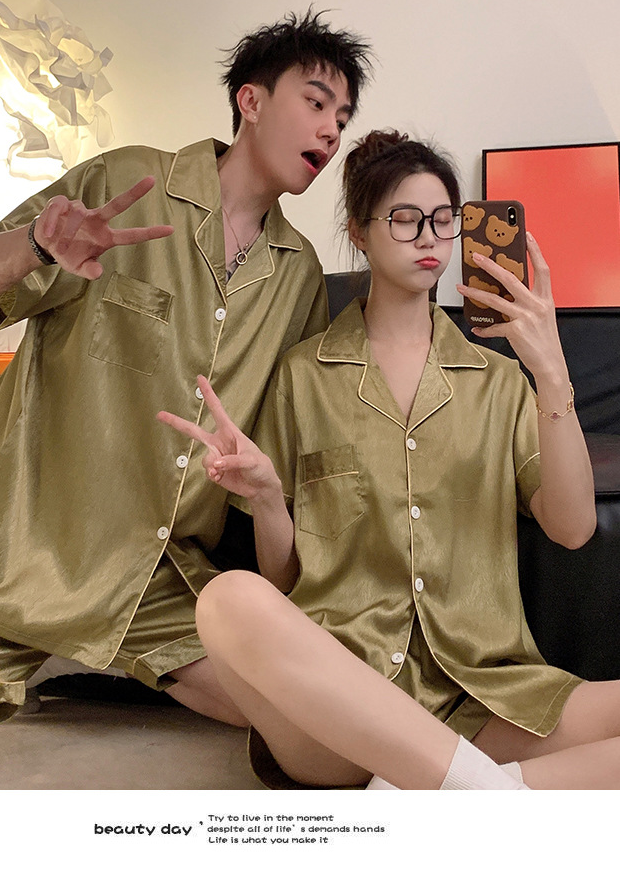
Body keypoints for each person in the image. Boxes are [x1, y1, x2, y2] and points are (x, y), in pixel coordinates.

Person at [0, 10, 372, 789]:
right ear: (251, 100)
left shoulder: (297, 274)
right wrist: (36, 246)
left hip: (152, 574)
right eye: (316, 102)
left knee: (326, 734)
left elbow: (280, 443)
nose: (332, 129)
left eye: (343, 116)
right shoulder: (124, 183)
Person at [158, 130, 620, 790]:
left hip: (484, 697)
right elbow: (284, 579)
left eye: (442, 219)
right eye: (405, 219)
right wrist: (263, 496)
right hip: (345, 711)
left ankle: (450, 794)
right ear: (360, 231)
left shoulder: (500, 382)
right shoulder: (302, 377)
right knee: (228, 598)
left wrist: (551, 372)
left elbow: (571, 528)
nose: (429, 237)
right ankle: (479, 793)